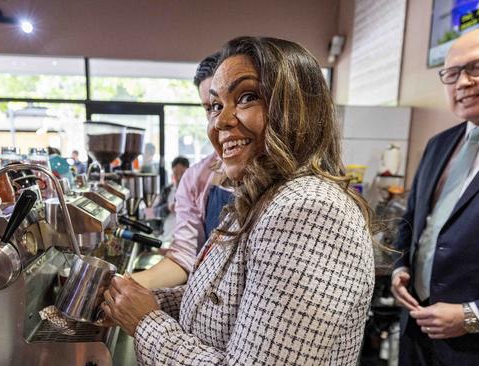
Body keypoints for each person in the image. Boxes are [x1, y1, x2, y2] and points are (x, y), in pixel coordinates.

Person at [102, 36, 375, 365]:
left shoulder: (309, 209)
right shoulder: (259, 195)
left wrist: (146, 323)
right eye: (215, 106)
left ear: (297, 109)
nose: (220, 121)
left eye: (246, 97)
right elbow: (222, 301)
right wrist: (139, 300)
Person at [391, 27, 479, 365]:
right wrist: (400, 267)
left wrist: (474, 315)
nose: (462, 82)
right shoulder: (440, 144)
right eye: (452, 73)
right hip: (417, 337)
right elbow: (411, 221)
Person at [131, 52, 232, 289]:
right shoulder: (196, 178)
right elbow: (184, 255)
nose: (221, 120)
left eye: (241, 101)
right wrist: (124, 287)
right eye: (211, 108)